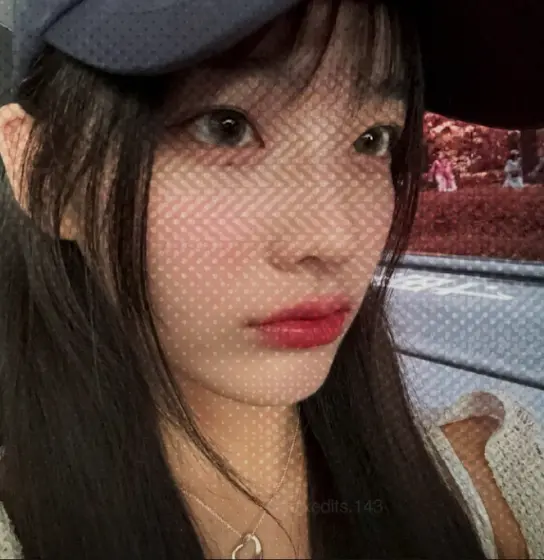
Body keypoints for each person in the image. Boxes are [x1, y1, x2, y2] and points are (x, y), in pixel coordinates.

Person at [0, 1, 542, 559]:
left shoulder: (498, 486)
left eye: (372, 138)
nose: (333, 240)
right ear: (46, 176)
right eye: (225, 128)